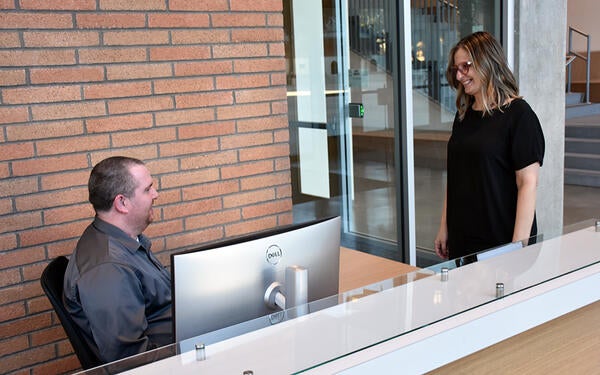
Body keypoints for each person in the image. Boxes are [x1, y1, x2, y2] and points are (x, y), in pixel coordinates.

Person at [434, 31, 545, 263]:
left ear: (488, 63)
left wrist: (517, 248)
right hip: (463, 237)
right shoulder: (464, 115)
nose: (460, 75)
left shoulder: (519, 115)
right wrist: (444, 226)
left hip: (500, 239)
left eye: (466, 66)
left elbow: (528, 184)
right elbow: (455, 175)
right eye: (457, 68)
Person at [63, 156, 172, 363]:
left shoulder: (124, 240)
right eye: (148, 189)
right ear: (122, 203)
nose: (155, 194)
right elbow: (130, 358)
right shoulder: (109, 269)